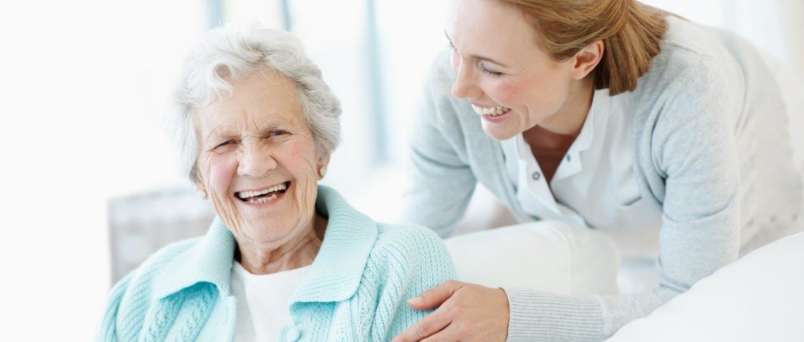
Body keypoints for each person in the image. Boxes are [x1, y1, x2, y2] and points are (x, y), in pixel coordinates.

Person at [394, 0, 803, 341]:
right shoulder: (450, 87)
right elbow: (407, 242)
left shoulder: (688, 91)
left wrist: (511, 315)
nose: (459, 87)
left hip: (771, 186)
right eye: (455, 48)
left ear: (584, 59)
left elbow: (692, 297)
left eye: (492, 69)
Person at [98, 27, 455, 342]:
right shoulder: (145, 294)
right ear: (199, 177)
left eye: (277, 133)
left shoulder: (403, 263)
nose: (254, 165)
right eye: (225, 143)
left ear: (321, 152)